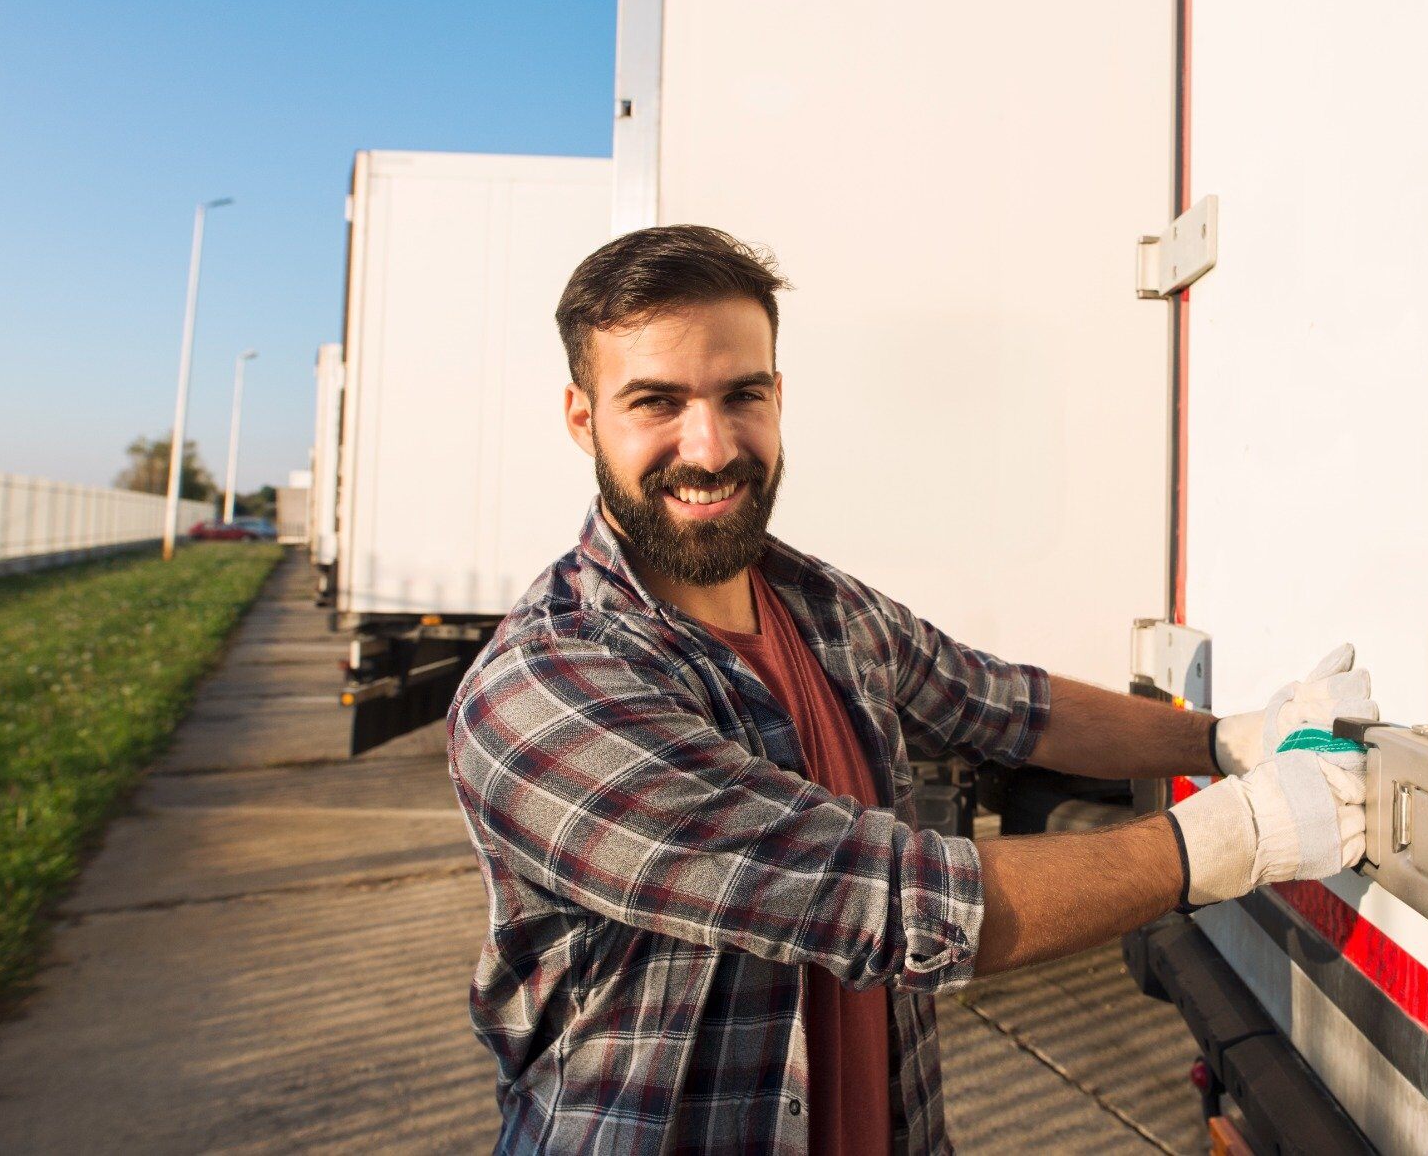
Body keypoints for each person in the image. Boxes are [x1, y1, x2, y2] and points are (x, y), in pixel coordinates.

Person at [447, 225, 1373, 1155]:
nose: (712, 445)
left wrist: (1227, 739)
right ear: (581, 417)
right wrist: (1238, 838)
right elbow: (883, 900)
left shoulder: (820, 606)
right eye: (656, 401)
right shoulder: (543, 687)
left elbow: (1007, 706)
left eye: (743, 395)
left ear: (778, 396)